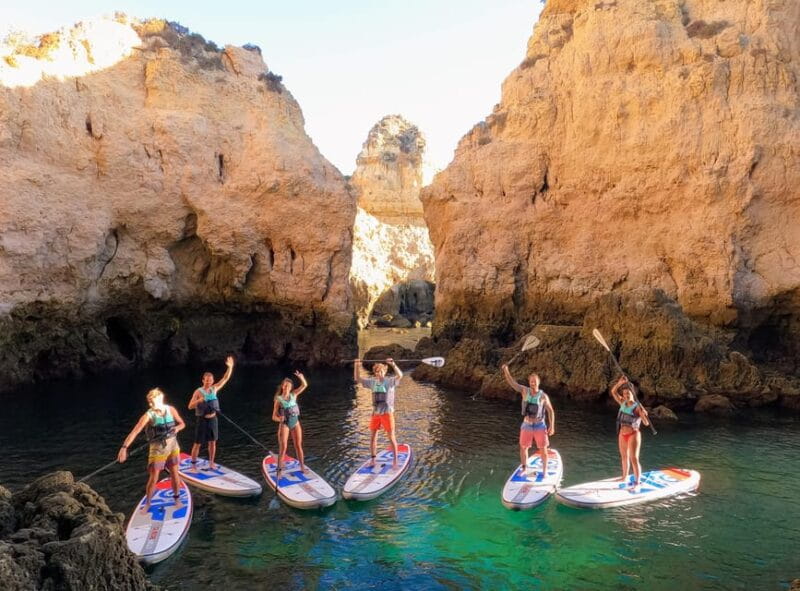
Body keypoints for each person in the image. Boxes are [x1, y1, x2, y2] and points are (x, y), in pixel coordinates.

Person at [118, 388, 186, 511]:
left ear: (161, 398)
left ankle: (177, 498)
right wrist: (124, 448)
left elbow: (182, 423)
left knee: (175, 473)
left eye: (157, 400)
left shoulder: (171, 409)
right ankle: (148, 503)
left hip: (173, 446)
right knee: (154, 477)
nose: (154, 404)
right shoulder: (148, 416)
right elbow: (135, 432)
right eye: (152, 402)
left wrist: (177, 428)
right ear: (150, 403)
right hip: (157, 449)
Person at [501, 364, 555, 479]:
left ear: (538, 382)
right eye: (531, 381)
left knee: (543, 449)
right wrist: (506, 371)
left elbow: (550, 411)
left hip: (540, 425)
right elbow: (512, 383)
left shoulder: (543, 396)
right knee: (523, 447)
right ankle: (525, 469)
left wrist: (552, 426)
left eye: (535, 381)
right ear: (529, 382)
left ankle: (545, 471)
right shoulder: (524, 391)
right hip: (527, 424)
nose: (533, 383)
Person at [354, 358, 403, 469]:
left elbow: (400, 375)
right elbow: (357, 378)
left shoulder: (390, 381)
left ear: (384, 372)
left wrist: (393, 364)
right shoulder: (372, 382)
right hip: (375, 414)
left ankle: (395, 461)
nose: (378, 374)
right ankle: (373, 460)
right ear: (375, 373)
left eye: (380, 371)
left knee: (391, 437)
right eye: (376, 372)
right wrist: (356, 365)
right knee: (372, 437)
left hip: (387, 414)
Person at [188, 356, 234, 470]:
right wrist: (199, 400)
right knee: (197, 443)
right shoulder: (198, 392)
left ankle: (211, 463)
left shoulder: (214, 389)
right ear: (203, 380)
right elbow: (190, 406)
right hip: (202, 419)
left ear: (212, 381)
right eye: (206, 380)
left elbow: (225, 378)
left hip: (213, 419)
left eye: (210, 380)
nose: (208, 382)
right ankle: (193, 465)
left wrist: (230, 367)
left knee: (212, 442)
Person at [610, 375, 651, 488]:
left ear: (633, 393)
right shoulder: (622, 402)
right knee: (624, 457)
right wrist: (620, 383)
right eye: (624, 394)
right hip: (622, 434)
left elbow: (646, 423)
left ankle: (637, 482)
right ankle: (624, 477)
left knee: (634, 458)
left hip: (633, 434)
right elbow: (613, 392)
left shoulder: (637, 407)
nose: (626, 396)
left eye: (628, 393)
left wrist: (643, 415)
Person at [271, 371, 308, 475]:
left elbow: (304, 385)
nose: (287, 387)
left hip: (295, 423)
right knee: (283, 448)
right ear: (283, 386)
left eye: (289, 386)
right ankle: (279, 472)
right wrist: (280, 419)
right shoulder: (278, 400)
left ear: (291, 387)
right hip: (285, 424)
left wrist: (301, 377)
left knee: (298, 445)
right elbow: (273, 416)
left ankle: (302, 467)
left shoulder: (294, 395)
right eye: (286, 385)